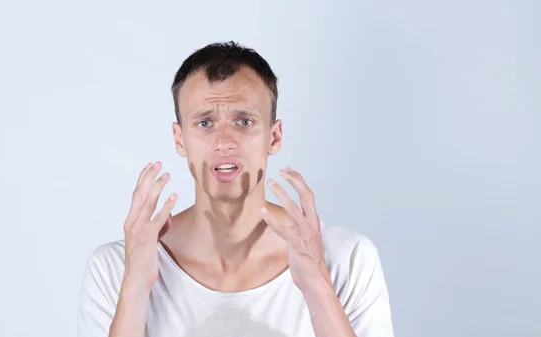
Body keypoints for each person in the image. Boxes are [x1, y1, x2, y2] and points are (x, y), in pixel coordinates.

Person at [77, 41, 395, 337]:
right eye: (205, 123)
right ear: (180, 139)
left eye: (243, 121)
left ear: (274, 137)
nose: (225, 143)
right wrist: (134, 288)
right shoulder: (115, 268)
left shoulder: (348, 258)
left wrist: (317, 284)